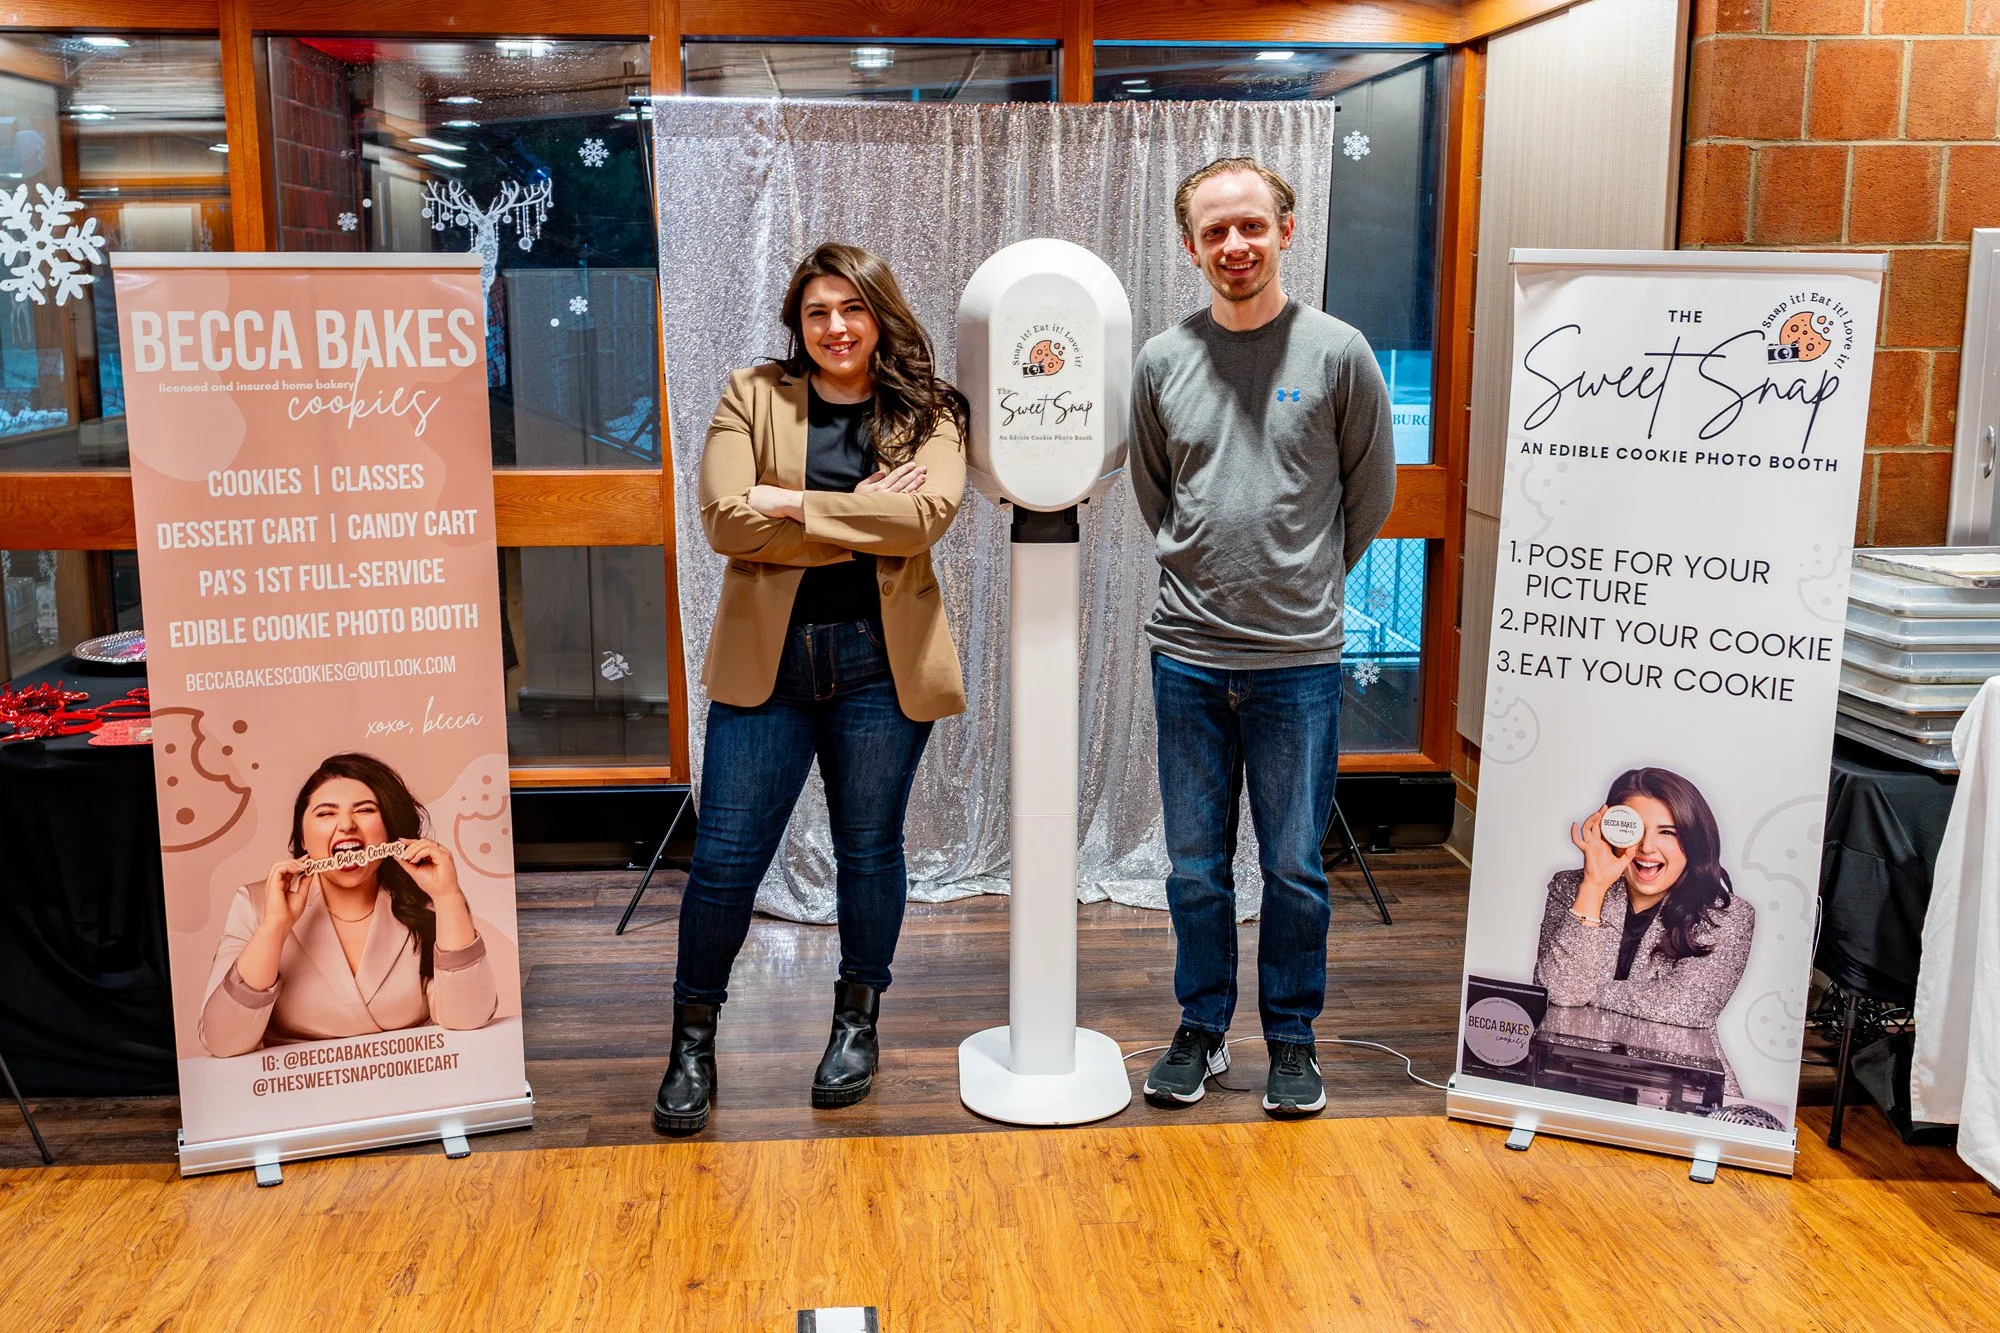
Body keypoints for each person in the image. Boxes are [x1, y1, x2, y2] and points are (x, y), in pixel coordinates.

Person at [653, 243, 968, 1136]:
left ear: (881, 315)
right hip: (771, 665)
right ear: (798, 321)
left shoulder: (927, 411)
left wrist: (789, 504)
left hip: (879, 662)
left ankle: (856, 1025)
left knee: (870, 851)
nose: (835, 327)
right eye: (818, 311)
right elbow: (721, 518)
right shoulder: (752, 394)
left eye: (852, 309)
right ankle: (690, 1043)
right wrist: (860, 516)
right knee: (725, 863)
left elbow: (924, 517)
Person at [1129, 156, 1397, 1119]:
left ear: (1287, 229)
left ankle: (1292, 1039)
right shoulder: (1163, 359)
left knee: (1291, 867)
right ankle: (1201, 1029)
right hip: (1188, 657)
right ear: (1191, 245)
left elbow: (1370, 495)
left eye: (1251, 226)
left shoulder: (1338, 352)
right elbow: (1156, 492)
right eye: (1213, 232)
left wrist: (1305, 577)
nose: (1233, 246)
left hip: (1298, 665)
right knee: (1195, 869)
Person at [198, 753, 497, 1056]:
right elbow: (223, 1042)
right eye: (326, 814)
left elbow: (468, 1016)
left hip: (412, 1083)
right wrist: (274, 927)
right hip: (298, 1090)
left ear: (390, 828)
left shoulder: (429, 898)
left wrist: (448, 897)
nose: (345, 825)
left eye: (365, 810)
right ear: (302, 834)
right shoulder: (255, 904)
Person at [1535, 768, 1756, 1093]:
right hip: (1571, 1077)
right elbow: (1559, 992)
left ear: (1693, 840)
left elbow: (1687, 1006)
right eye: (1634, 829)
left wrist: (1588, 991)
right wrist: (1594, 886)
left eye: (1668, 832)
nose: (1647, 847)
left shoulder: (1727, 916)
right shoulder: (1572, 888)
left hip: (1681, 1089)